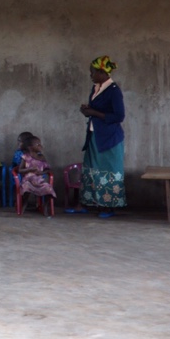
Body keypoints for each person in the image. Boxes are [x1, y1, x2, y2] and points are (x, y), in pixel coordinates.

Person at [70, 55, 127, 218]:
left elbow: (119, 116)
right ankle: (87, 203)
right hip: (95, 135)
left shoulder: (114, 91)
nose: (91, 75)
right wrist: (88, 110)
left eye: (93, 72)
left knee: (108, 171)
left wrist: (93, 112)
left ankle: (108, 207)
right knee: (91, 169)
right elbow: (99, 110)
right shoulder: (96, 88)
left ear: (102, 72)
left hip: (109, 138)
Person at [18, 135, 56, 216]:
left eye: (40, 144)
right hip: (28, 180)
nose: (40, 146)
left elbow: (48, 169)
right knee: (26, 186)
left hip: (39, 181)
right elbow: (20, 170)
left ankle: (45, 206)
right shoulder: (25, 157)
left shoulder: (41, 157)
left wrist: (42, 173)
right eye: (38, 144)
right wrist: (29, 170)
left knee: (48, 188)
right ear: (30, 147)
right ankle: (25, 203)